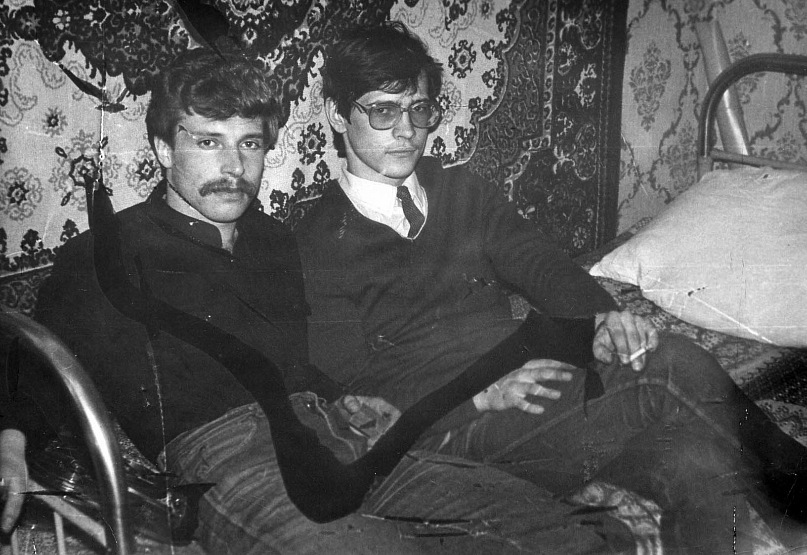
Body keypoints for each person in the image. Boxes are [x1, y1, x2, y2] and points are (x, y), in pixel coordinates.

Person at [0, 47, 658, 555]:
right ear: (163, 148)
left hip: (339, 436)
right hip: (232, 463)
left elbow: (301, 358)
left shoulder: (273, 241)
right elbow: (29, 359)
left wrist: (345, 397)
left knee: (566, 533)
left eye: (249, 144)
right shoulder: (109, 250)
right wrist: (7, 441)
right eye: (207, 142)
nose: (232, 166)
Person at [295, 21, 807, 552]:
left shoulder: (461, 191)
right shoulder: (315, 245)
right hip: (445, 437)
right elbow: (348, 391)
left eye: (419, 110)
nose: (406, 131)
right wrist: (476, 395)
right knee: (669, 365)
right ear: (338, 115)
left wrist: (603, 319)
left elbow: (542, 265)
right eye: (383, 111)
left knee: (696, 454)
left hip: (529, 404)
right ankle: (800, 489)